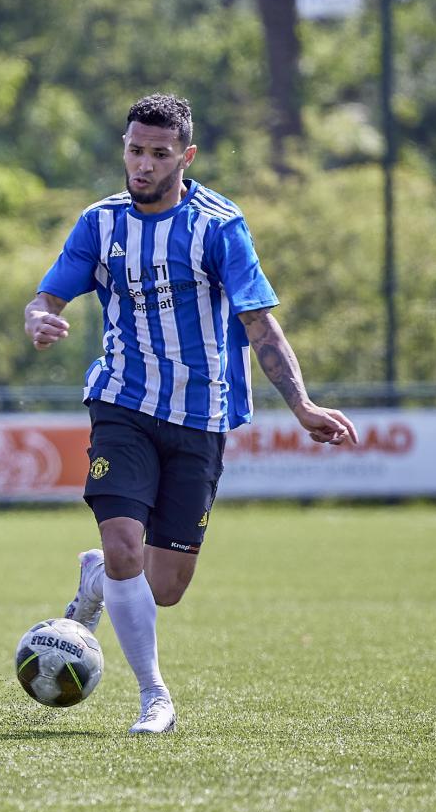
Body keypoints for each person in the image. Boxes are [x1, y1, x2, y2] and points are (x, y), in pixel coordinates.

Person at [24, 92, 357, 734]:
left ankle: (98, 582)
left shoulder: (219, 226)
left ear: (187, 156)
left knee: (166, 584)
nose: (142, 165)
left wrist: (302, 404)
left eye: (158, 154)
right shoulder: (100, 223)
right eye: (133, 150)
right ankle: (155, 696)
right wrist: (39, 318)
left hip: (201, 418)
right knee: (124, 543)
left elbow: (260, 325)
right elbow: (47, 296)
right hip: (122, 402)